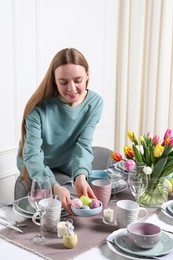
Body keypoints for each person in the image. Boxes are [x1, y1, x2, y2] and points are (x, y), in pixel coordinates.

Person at [16, 47, 103, 214]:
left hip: (67, 164)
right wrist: (53, 186)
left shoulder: (95, 103)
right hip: (37, 165)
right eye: (63, 82)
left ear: (88, 74)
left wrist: (80, 176)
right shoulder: (37, 109)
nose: (71, 88)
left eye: (78, 80)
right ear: (54, 80)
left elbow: (84, 144)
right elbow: (32, 156)